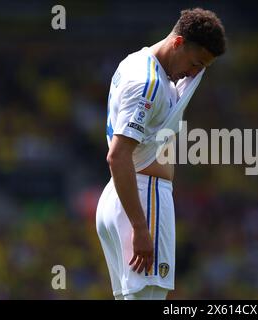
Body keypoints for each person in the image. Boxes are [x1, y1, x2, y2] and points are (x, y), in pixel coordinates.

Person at [96, 8, 226, 300]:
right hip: (144, 197)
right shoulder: (149, 84)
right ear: (178, 43)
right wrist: (140, 227)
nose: (194, 73)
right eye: (195, 63)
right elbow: (118, 156)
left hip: (123, 197)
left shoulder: (137, 63)